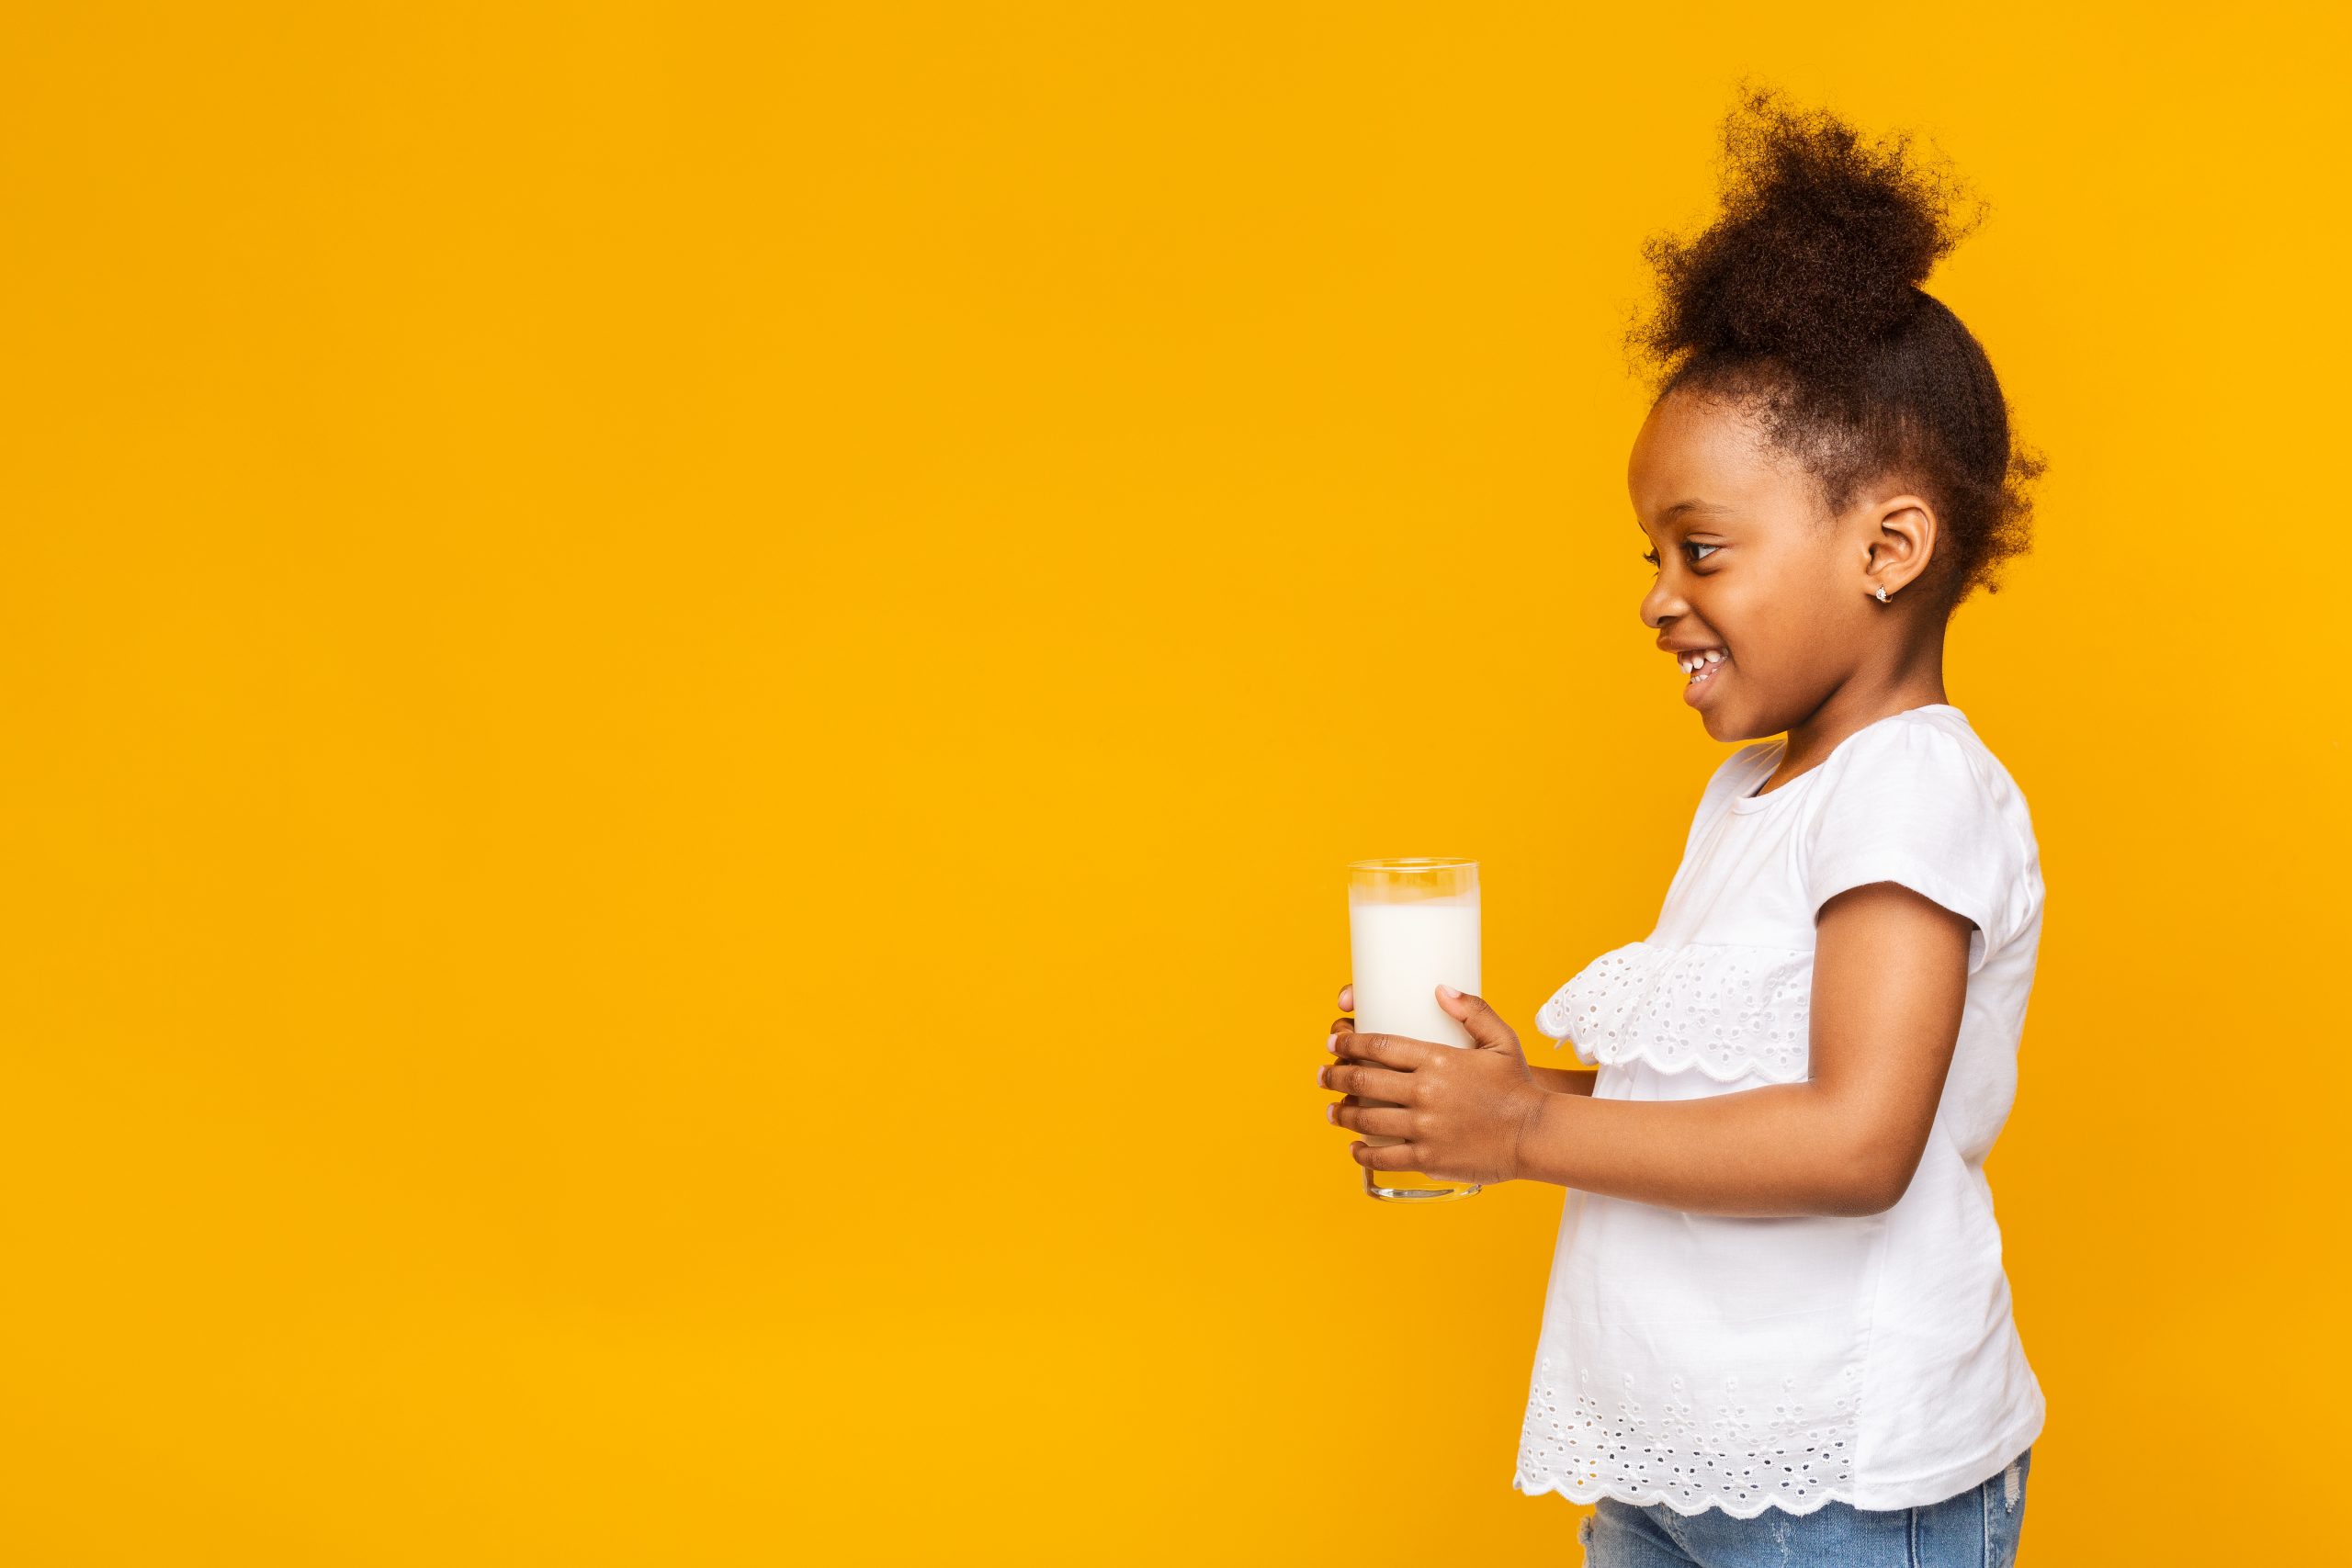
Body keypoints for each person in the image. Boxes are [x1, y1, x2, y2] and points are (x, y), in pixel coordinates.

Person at [1317, 85, 2047, 1566]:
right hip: (1685, 1458)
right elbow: (1734, 1096)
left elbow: (1855, 1140)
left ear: (1889, 547)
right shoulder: (1756, 794)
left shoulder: (1915, 787)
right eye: (1651, 552)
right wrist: (1511, 1101)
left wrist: (1523, 1131)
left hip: (1844, 1479)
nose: (1657, 594)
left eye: (1700, 548)